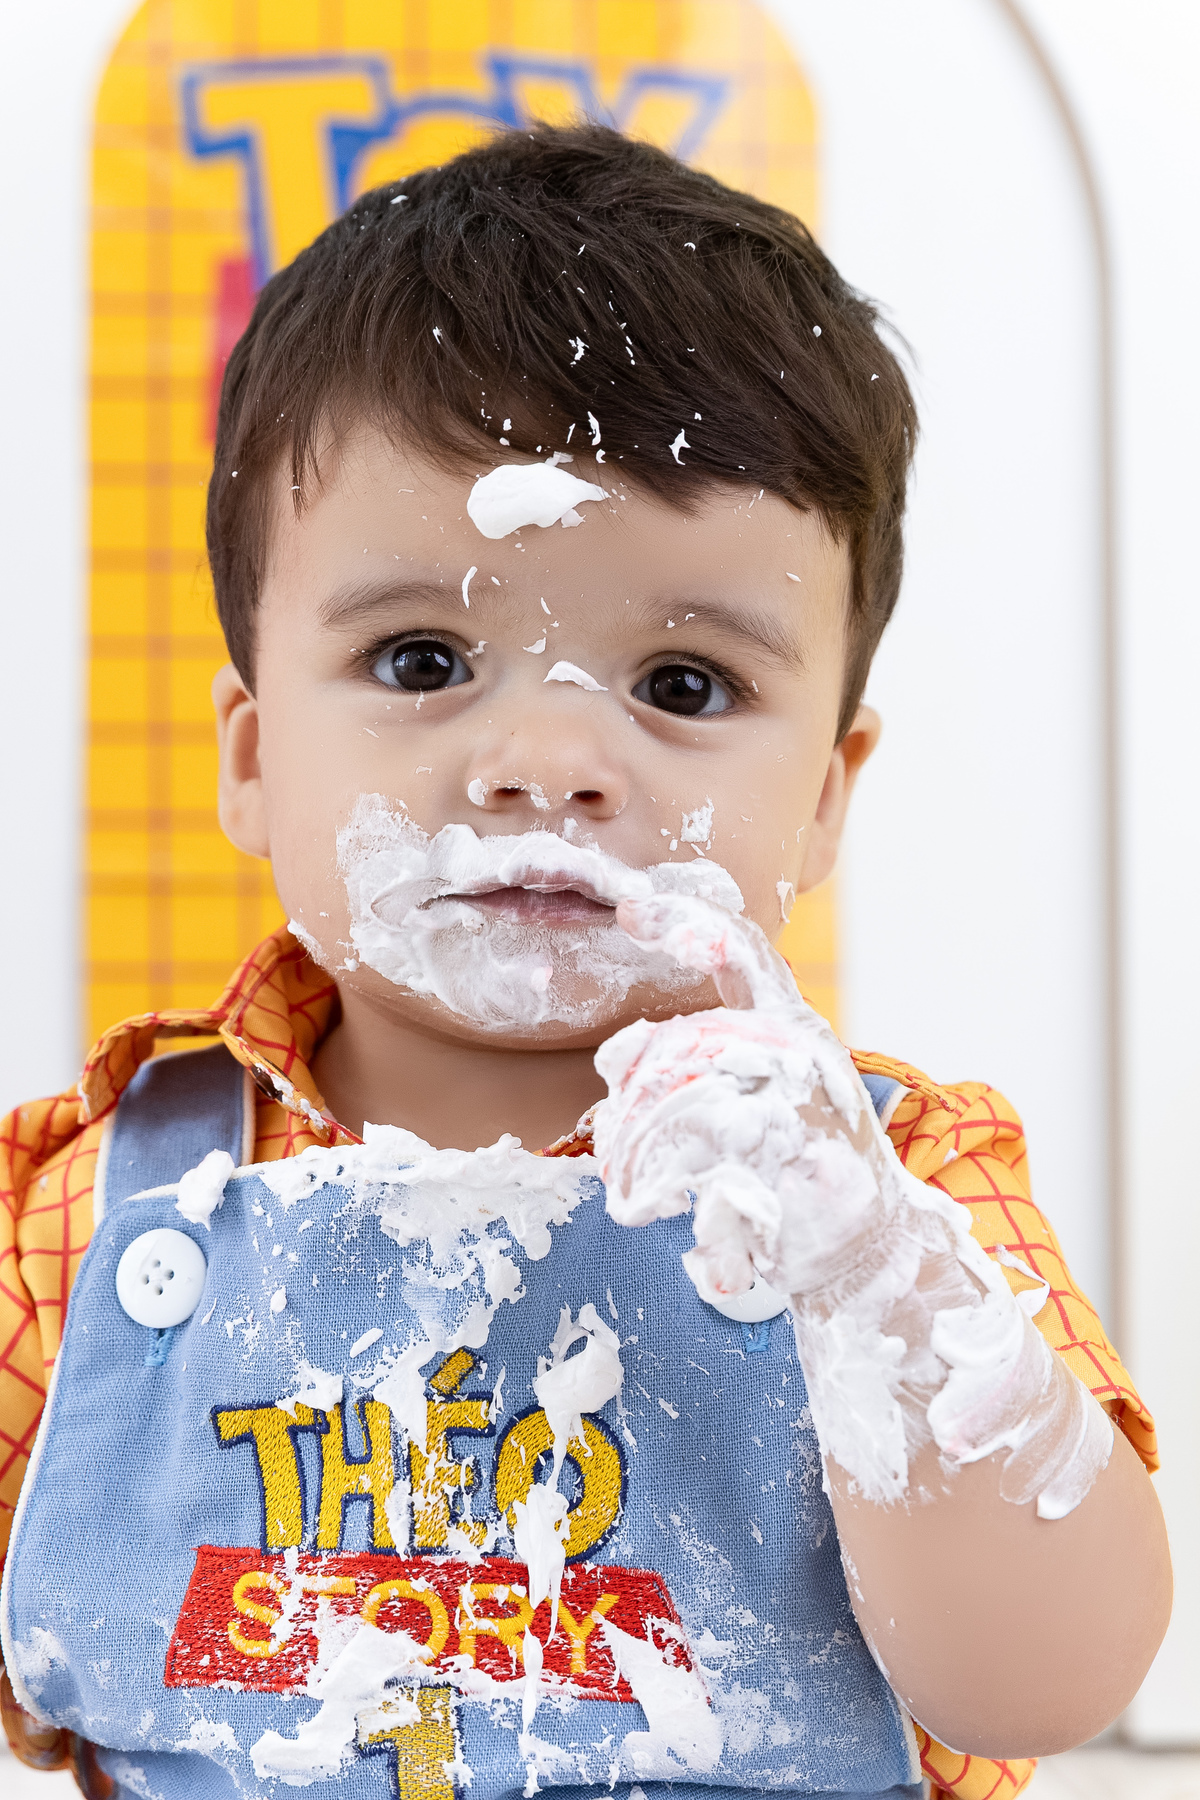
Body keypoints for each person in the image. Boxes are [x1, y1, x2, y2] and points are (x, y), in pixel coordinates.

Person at [0, 124, 1170, 1800]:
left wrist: (875, 1289)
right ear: (251, 758)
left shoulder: (904, 1189)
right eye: (423, 656)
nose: (546, 758)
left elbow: (1044, 1683)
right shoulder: (85, 1209)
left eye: (683, 684)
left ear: (828, 795)